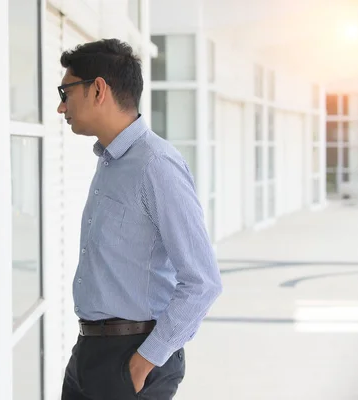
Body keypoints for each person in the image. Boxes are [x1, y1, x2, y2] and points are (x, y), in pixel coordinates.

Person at [57, 38, 223, 400]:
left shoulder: (155, 165)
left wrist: (142, 363)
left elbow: (203, 281)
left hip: (132, 358)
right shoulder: (110, 162)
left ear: (98, 89)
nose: (60, 106)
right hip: (89, 352)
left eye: (66, 92)